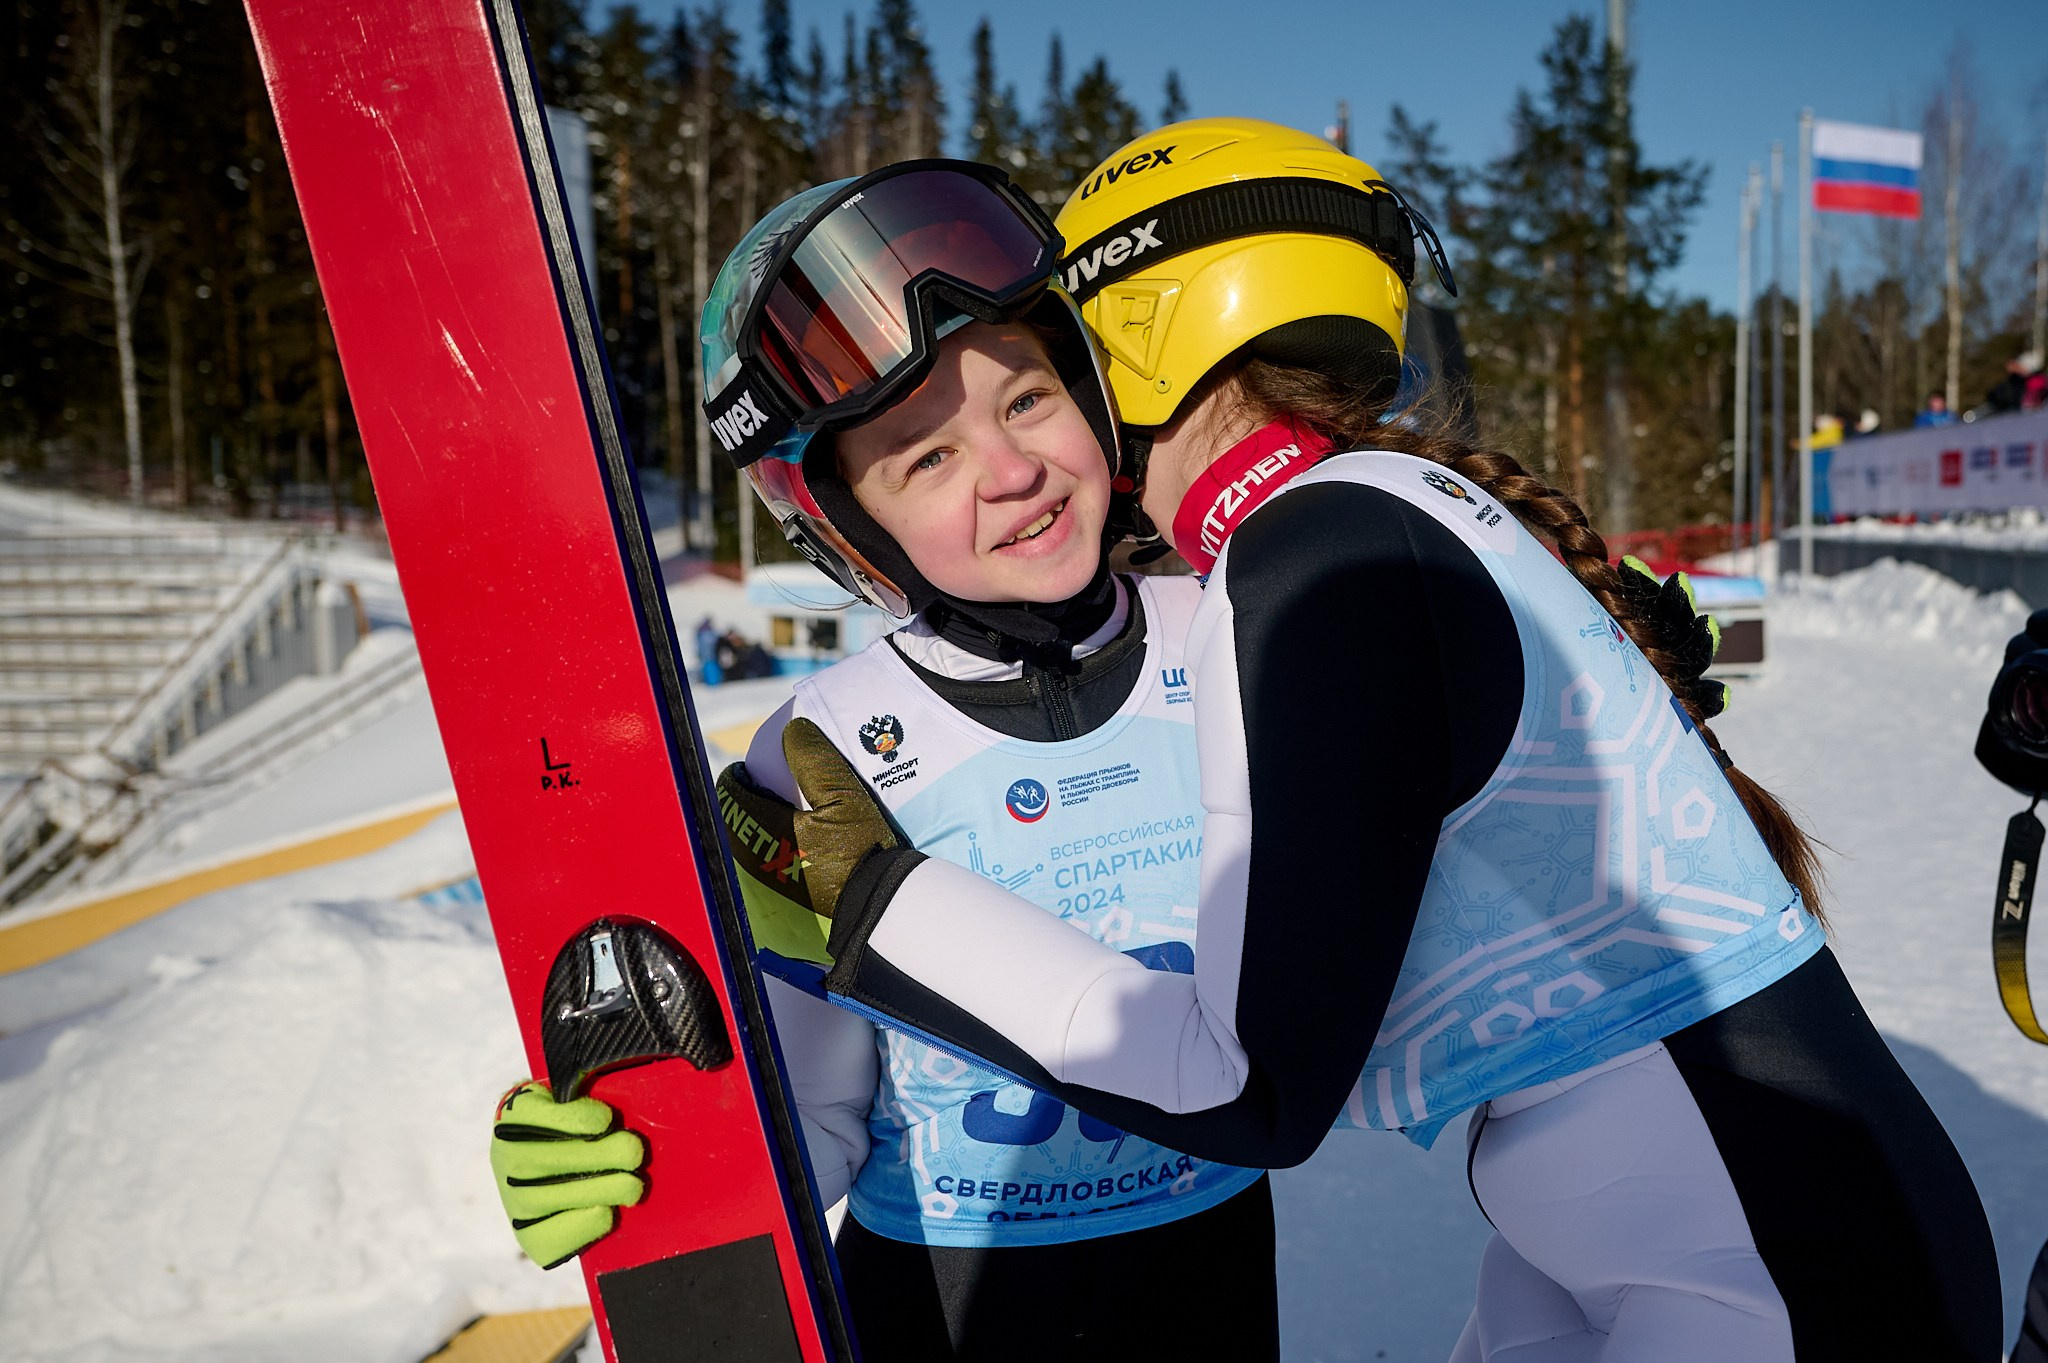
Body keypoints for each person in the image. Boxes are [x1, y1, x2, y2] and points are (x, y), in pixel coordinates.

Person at [763, 119, 2004, 1361]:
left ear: (1131, 339)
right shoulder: (1365, 518)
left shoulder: (1315, 560)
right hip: (1695, 1244)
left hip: (1779, 1279)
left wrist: (879, 901)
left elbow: (1248, 1085)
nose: (1036, 457)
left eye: (1047, 380)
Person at [488, 158, 1279, 1361]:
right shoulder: (825, 753)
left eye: (1025, 399)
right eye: (925, 458)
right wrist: (647, 1149)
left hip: (1209, 1289)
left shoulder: (1227, 634)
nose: (1011, 471)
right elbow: (815, 1126)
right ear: (849, 528)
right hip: (942, 1307)